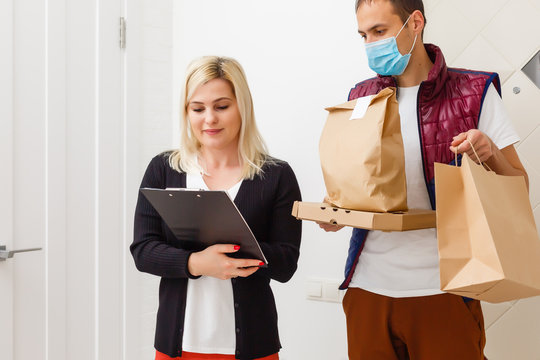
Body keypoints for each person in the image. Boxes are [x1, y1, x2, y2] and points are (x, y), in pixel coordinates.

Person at [319, 1, 529, 359]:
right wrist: (333, 213)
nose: (371, 44)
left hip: (444, 292)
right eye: (364, 35)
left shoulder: (473, 92)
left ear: (415, 22)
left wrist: (490, 152)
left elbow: (519, 191)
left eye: (380, 32)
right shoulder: (360, 97)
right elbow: (349, 192)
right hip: (368, 291)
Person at [131, 56, 302, 360]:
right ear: (187, 112)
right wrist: (197, 263)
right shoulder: (164, 169)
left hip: (253, 347)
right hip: (178, 347)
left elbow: (286, 263)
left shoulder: (276, 175)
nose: (209, 119)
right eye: (198, 109)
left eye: (221, 106)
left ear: (242, 107)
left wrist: (235, 252)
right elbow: (143, 251)